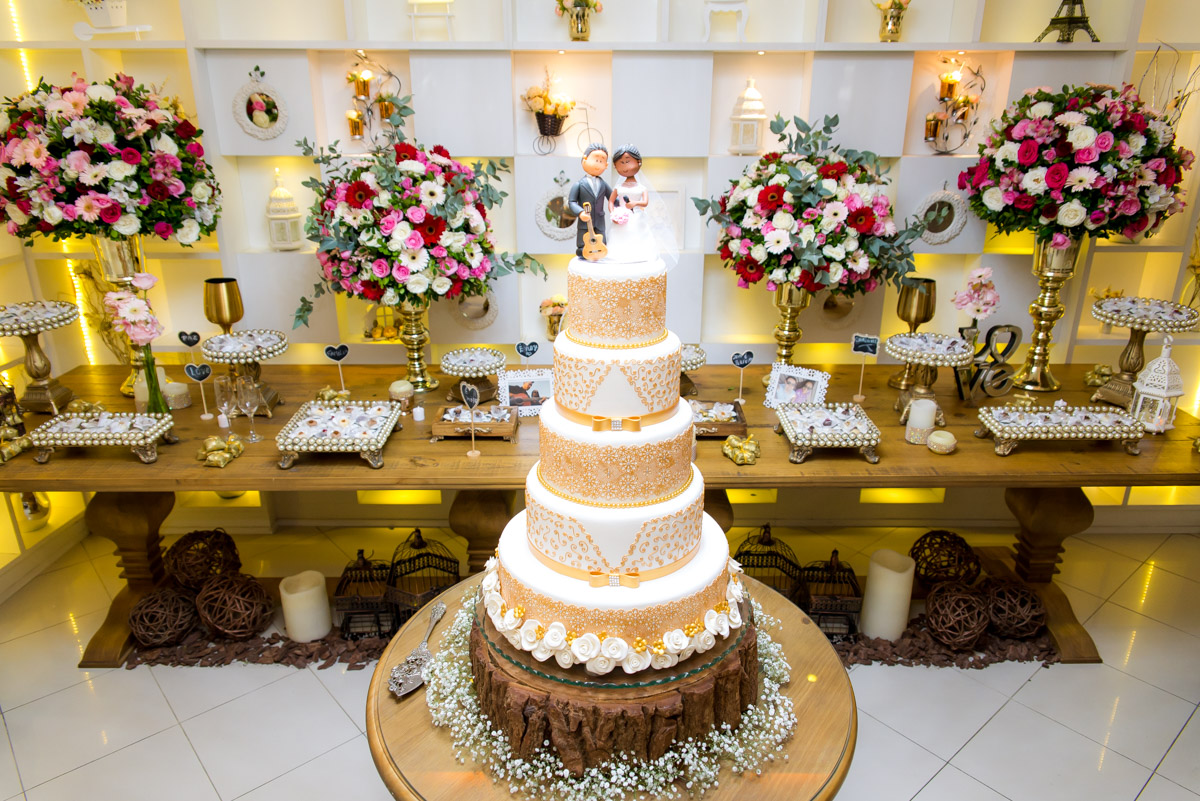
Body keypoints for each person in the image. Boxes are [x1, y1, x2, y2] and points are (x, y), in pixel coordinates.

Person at [605, 144, 655, 262]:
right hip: (621, 217)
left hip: (636, 216)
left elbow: (645, 202)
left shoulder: (642, 187)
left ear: (638, 162)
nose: (625, 167)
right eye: (621, 163)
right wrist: (613, 213)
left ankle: (636, 256)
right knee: (619, 237)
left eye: (628, 162)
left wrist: (635, 203)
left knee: (636, 235)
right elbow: (611, 201)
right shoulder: (618, 187)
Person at [567, 144, 611, 259]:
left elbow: (612, 199)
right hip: (585, 222)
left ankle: (601, 249)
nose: (598, 164)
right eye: (596, 160)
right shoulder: (579, 184)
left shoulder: (603, 184)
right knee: (583, 243)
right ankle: (583, 249)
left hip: (600, 221)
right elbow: (571, 202)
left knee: (602, 242)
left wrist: (621, 205)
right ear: (585, 159)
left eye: (602, 161)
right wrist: (581, 212)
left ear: (606, 165)